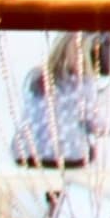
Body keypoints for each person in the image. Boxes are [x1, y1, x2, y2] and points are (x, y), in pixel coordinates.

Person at [11, 33, 101, 168]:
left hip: (24, 153)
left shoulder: (35, 77)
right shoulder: (83, 83)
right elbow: (95, 125)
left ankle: (53, 188)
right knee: (88, 149)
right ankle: (61, 188)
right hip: (68, 156)